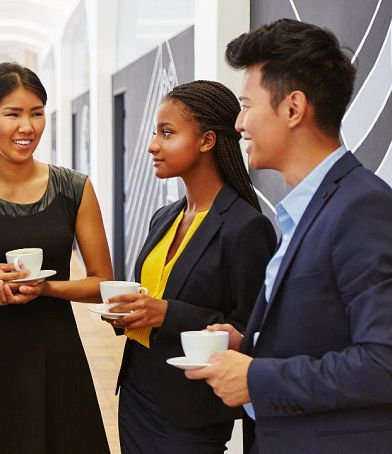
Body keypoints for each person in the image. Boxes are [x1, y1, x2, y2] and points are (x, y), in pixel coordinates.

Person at [186, 19, 392, 453]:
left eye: (246, 105)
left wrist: (255, 378)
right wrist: (253, 345)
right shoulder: (306, 209)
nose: (239, 124)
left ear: (294, 108)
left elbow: (383, 362)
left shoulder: (361, 208)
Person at [0, 62, 113, 454]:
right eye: (12, 114)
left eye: (36, 113)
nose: (27, 127)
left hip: (56, 353)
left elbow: (102, 283)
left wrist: (46, 287)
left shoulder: (75, 189)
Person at [103, 80, 276, 453]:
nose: (152, 145)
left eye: (167, 133)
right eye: (155, 132)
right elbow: (153, 301)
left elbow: (253, 332)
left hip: (193, 408)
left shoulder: (246, 227)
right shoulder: (163, 217)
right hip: (137, 394)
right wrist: (131, 315)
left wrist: (166, 314)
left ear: (207, 141)